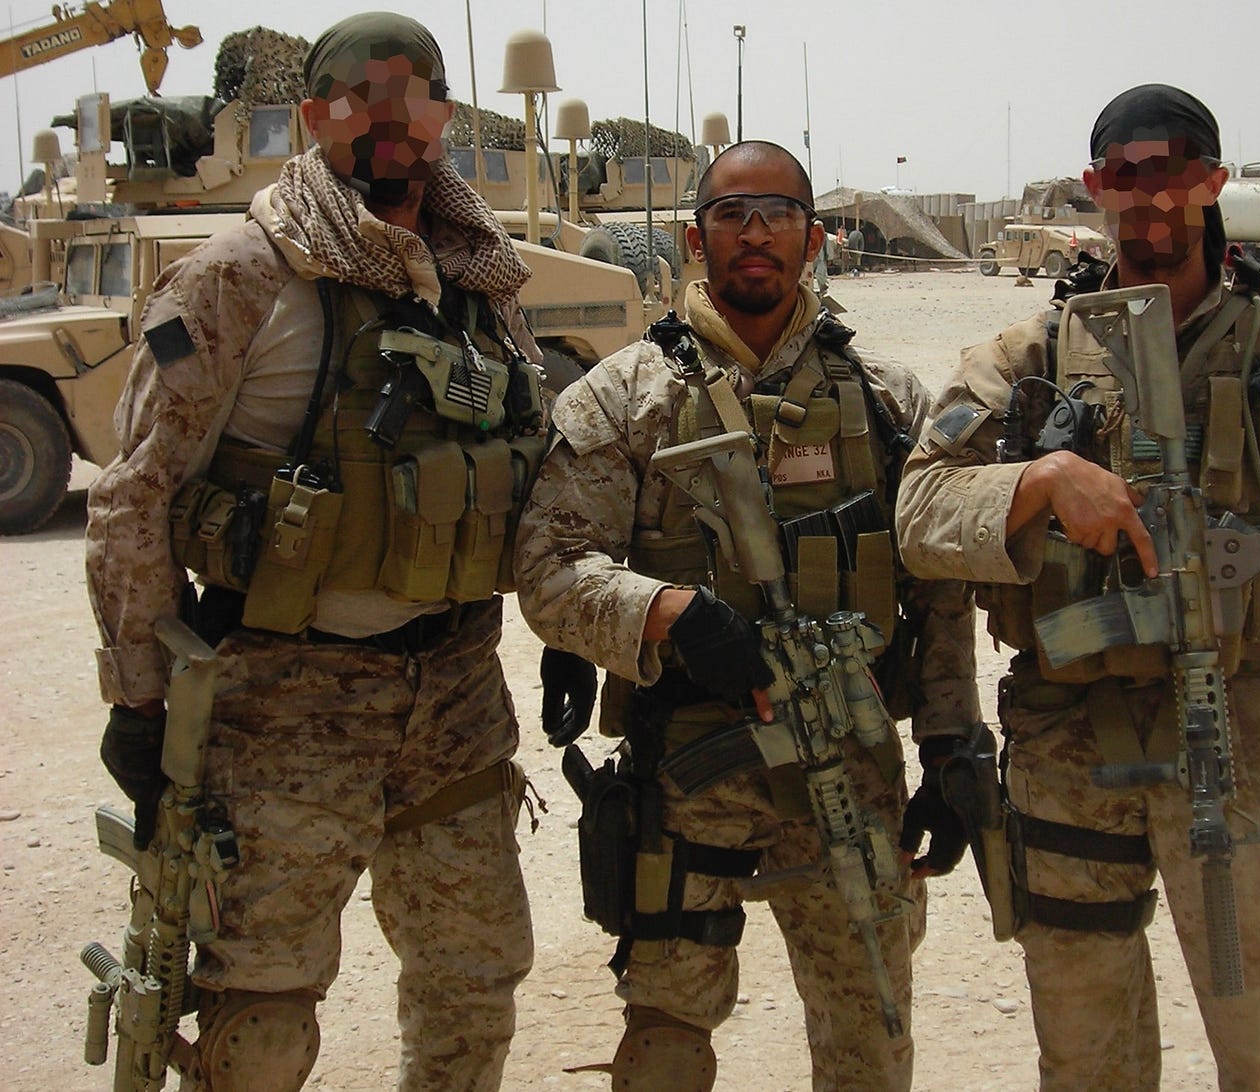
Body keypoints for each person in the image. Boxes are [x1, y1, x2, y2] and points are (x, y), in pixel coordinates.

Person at [896, 84, 1260, 1091]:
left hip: (1248, 730)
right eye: (1123, 174)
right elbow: (919, 514)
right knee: (1085, 1052)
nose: (1148, 194)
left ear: (1211, 182)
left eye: (1171, 170)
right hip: (1068, 738)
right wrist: (1040, 481)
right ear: (1095, 188)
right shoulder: (1028, 359)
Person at [86, 14, 542, 1090]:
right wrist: (138, 700)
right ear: (310, 116)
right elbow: (134, 496)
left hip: (456, 697)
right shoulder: (238, 277)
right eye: (355, 96)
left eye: (412, 96)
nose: (386, 118)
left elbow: (532, 464)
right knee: (260, 1023)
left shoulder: (480, 279)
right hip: (284, 706)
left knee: (474, 984)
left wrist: (566, 630)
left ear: (443, 116)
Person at [514, 140, 981, 1091]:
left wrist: (950, 746)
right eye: (732, 214)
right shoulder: (626, 396)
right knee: (667, 1040)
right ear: (697, 240)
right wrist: (672, 614)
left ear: (815, 238)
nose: (755, 232)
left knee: (869, 1033)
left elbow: (937, 591)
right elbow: (550, 570)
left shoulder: (885, 398)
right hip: (689, 766)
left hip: (850, 760)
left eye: (778, 213)